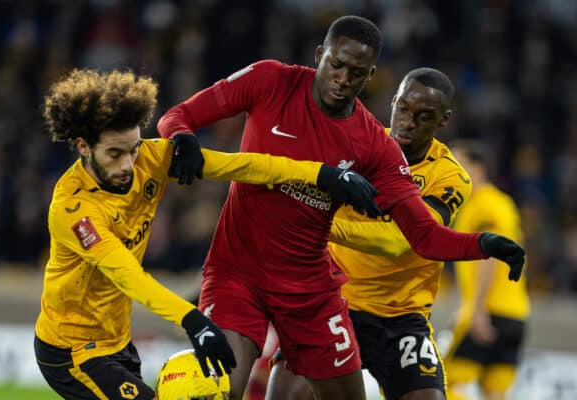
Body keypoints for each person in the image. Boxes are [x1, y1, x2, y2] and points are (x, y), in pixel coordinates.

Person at [158, 16, 525, 400]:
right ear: (320, 55)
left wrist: (482, 244)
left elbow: (419, 237)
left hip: (327, 297)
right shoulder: (269, 81)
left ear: (370, 77)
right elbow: (176, 116)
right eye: (336, 65)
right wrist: (182, 138)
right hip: (242, 274)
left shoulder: (376, 150)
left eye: (357, 73)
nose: (342, 79)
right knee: (223, 389)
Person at [33, 68, 382, 400]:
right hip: (71, 350)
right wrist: (194, 321)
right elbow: (128, 277)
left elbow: (244, 165)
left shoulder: (149, 160)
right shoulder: (74, 210)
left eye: (133, 148)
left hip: (116, 340)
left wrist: (320, 175)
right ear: (82, 146)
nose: (127, 164)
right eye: (114, 154)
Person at [266, 68, 472, 400]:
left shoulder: (449, 177)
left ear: (443, 120)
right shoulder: (353, 146)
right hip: (334, 303)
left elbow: (405, 240)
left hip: (401, 318)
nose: (408, 121)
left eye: (424, 116)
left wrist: (323, 225)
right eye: (403, 108)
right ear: (393, 102)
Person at [443, 140, 530, 400]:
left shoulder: (483, 205)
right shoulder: (504, 203)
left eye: (459, 164)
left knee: (444, 382)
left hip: (488, 311)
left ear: (479, 169)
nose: (452, 171)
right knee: (495, 391)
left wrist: (477, 310)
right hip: (516, 314)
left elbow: (490, 256)